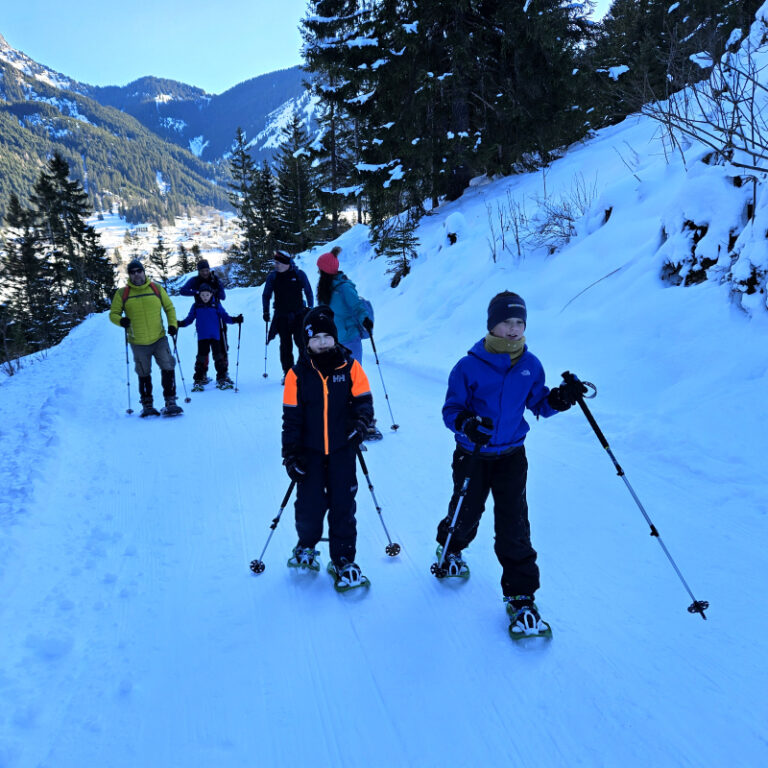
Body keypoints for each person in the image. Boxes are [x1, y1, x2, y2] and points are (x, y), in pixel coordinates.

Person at [435, 291, 586, 638]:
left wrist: (561, 399)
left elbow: (540, 404)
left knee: (514, 523)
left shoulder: (531, 365)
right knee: (467, 509)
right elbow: (451, 411)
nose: (514, 329)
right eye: (507, 322)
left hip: (512, 456)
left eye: (519, 322)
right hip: (473, 454)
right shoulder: (468, 366)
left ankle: (521, 596)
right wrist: (468, 423)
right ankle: (451, 547)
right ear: (492, 325)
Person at [281, 305, 374, 589]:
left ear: (335, 338)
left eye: (327, 336)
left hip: (342, 450)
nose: (322, 342)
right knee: (309, 505)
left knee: (343, 505)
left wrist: (360, 424)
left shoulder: (351, 368)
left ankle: (344, 559)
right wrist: (290, 454)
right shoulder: (296, 375)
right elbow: (291, 418)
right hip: (309, 452)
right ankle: (306, 546)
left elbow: (364, 403)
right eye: (315, 337)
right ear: (305, 341)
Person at [316, 246, 381, 440]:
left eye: (320, 269)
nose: (318, 272)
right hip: (333, 341)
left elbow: (357, 307)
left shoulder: (344, 287)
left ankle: (366, 422)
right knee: (337, 381)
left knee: (354, 379)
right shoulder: (326, 288)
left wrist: (366, 321)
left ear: (326, 271)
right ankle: (343, 419)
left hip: (350, 340)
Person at [109, 259, 182, 417]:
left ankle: (171, 401)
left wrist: (172, 325)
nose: (136, 274)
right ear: (129, 275)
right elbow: (113, 314)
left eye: (138, 271)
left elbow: (169, 308)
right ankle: (147, 404)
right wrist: (121, 321)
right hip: (138, 342)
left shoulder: (156, 288)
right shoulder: (122, 293)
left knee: (168, 367)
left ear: (144, 271)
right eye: (132, 272)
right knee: (143, 373)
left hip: (159, 338)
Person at [177, 282, 243, 390]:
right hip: (202, 337)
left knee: (218, 357)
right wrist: (181, 323)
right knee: (201, 358)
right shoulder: (196, 306)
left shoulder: (216, 305)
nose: (205, 297)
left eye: (207, 295)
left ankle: (221, 378)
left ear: (211, 294)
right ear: (199, 295)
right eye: (202, 295)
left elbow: (225, 317)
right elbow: (189, 319)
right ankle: (198, 379)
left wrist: (236, 320)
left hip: (215, 336)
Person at [262, 250, 314, 383]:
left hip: (299, 315)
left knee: (302, 343)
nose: (276, 265)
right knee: (285, 346)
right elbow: (266, 295)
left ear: (286, 263)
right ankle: (288, 373)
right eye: (275, 262)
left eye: (278, 263)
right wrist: (266, 311)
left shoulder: (298, 274)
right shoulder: (273, 277)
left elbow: (308, 291)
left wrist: (311, 309)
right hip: (281, 316)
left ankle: (302, 369)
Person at [180, 258, 228, 379]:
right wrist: (197, 293)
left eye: (206, 270)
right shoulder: (195, 281)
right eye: (202, 270)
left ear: (209, 269)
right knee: (204, 347)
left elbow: (223, 296)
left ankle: (223, 372)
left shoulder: (215, 280)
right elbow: (182, 291)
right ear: (198, 271)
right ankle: (203, 373)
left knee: (222, 345)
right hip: (201, 313)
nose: (205, 273)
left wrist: (215, 291)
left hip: (216, 312)